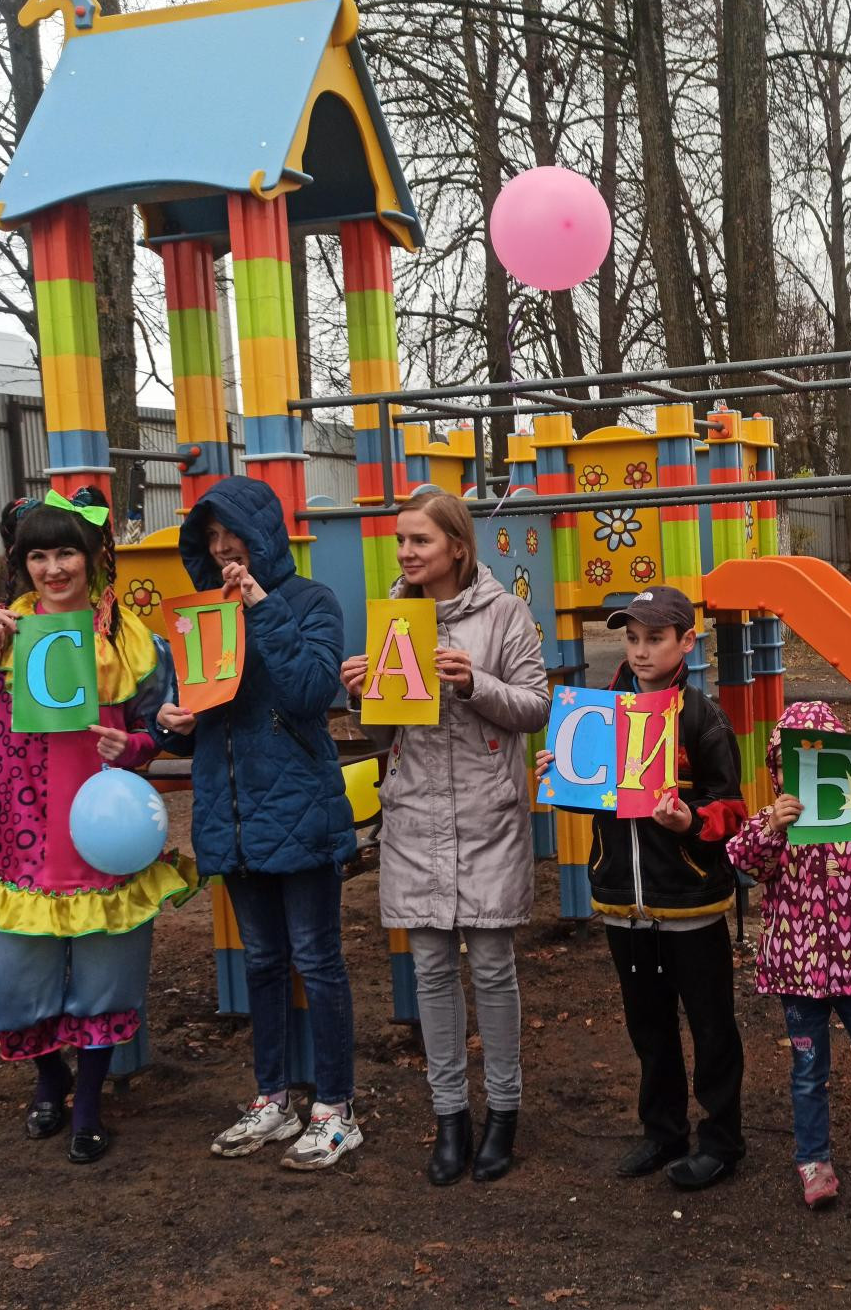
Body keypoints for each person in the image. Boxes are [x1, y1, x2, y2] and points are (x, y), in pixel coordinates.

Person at [0, 488, 189, 1164]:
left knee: (108, 976)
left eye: (66, 552)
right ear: (22, 563)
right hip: (12, 832)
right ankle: (50, 1076)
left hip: (100, 831)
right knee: (18, 975)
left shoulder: (129, 641)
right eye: (39, 555)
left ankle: (89, 1103)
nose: (53, 568)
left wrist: (130, 748)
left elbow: (147, 734)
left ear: (92, 556)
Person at [340, 488, 550, 1185]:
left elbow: (535, 705)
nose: (406, 552)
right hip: (416, 817)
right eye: (401, 541)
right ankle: (450, 1116)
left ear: (457, 547)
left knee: (491, 968)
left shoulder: (505, 614)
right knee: (430, 970)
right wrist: (360, 694)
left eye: (420, 541)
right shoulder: (392, 618)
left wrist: (475, 682)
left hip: (488, 817)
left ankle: (506, 1113)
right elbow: (379, 733)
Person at [157, 476, 361, 1172]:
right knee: (265, 962)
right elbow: (191, 717)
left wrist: (262, 606)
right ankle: (272, 1098)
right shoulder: (199, 613)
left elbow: (310, 690)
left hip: (299, 811)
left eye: (231, 536)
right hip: (234, 816)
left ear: (262, 535)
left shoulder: (310, 602)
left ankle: (336, 1106)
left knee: (317, 959)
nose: (221, 551)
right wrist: (173, 721)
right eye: (210, 540)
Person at [535, 585, 749, 1191]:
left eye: (655, 638)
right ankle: (662, 1132)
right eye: (631, 638)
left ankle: (723, 1140)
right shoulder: (597, 712)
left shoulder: (702, 716)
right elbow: (599, 800)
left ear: (686, 642)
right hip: (621, 901)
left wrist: (691, 821)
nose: (640, 650)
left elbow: (732, 808)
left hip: (691, 901)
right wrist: (564, 780)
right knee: (647, 1026)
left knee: (711, 1027)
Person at [725, 701, 851, 1212]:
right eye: (789, 766)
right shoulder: (775, 822)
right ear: (779, 771)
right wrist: (773, 825)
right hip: (797, 974)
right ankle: (812, 1160)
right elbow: (743, 864)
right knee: (807, 1071)